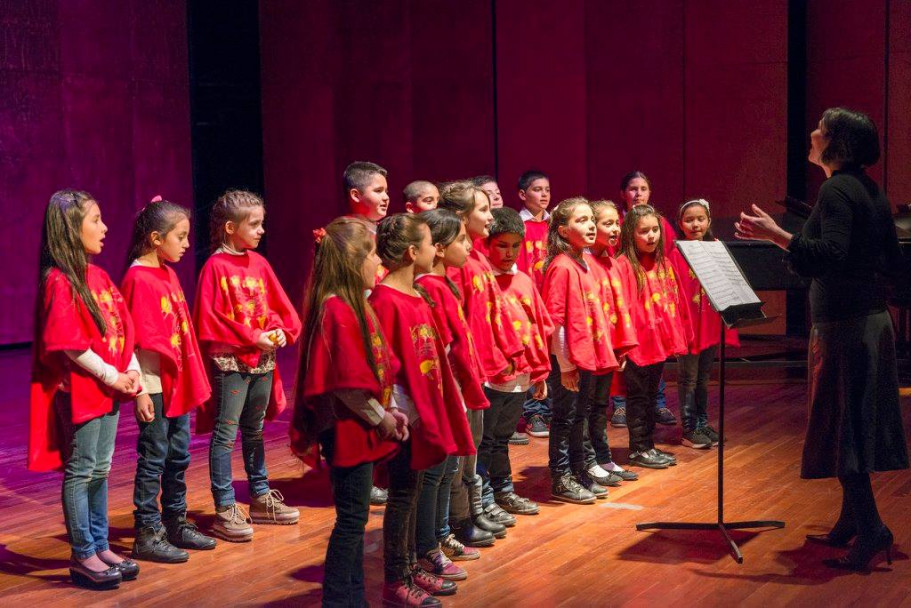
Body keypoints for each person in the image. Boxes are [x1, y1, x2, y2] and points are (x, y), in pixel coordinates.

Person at [735, 107, 908, 571]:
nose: (812, 133)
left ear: (837, 144)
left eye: (822, 130)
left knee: (841, 426)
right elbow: (891, 259)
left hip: (845, 328)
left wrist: (777, 235)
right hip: (870, 322)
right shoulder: (869, 190)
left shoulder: (835, 189)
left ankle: (872, 528)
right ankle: (851, 521)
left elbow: (828, 254)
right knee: (851, 422)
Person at [291, 217, 408, 608]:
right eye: (373, 253)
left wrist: (390, 407)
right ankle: (341, 600)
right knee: (352, 521)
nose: (380, 262)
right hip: (346, 429)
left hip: (361, 423)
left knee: (356, 521)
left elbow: (376, 368)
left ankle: (353, 598)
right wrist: (383, 418)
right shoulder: (336, 310)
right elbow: (347, 385)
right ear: (350, 260)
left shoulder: (354, 303)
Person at [29, 190, 141, 589]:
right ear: (70, 229)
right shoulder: (60, 280)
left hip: (107, 388)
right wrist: (113, 376)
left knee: (102, 469)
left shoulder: (100, 276)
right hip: (81, 391)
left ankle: (98, 543)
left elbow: (122, 329)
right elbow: (72, 344)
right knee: (82, 471)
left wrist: (130, 369)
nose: (105, 227)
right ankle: (82, 553)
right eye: (95, 220)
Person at [370, 213, 475, 605]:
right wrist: (403, 415)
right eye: (431, 243)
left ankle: (412, 564)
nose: (437, 250)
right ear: (414, 252)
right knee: (402, 494)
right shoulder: (384, 299)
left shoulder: (418, 295)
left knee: (413, 493)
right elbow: (384, 367)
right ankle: (395, 578)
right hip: (404, 419)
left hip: (425, 413)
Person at [194, 190, 302, 541]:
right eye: (253, 225)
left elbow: (279, 305)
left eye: (261, 224)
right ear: (229, 227)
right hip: (231, 362)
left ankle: (259, 497)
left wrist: (281, 331)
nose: (260, 231)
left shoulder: (260, 263)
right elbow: (209, 318)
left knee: (254, 431)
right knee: (226, 435)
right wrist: (249, 335)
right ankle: (226, 507)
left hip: (263, 361)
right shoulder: (215, 266)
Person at [121, 198, 215, 563]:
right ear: (157, 238)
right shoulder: (137, 277)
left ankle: (176, 521)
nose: (187, 243)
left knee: (179, 454)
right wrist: (141, 391)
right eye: (181, 236)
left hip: (174, 384)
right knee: (153, 456)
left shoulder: (167, 272)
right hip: (153, 384)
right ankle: (146, 531)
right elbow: (130, 340)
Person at [439, 181, 523, 545]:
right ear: (460, 216)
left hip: (477, 367)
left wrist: (508, 352)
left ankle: (473, 509)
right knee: (462, 450)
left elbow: (492, 314)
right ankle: (458, 519)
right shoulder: (456, 263)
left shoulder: (474, 257)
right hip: (461, 369)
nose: (491, 216)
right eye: (483, 210)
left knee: (473, 449)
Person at [415, 209, 488, 565]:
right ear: (439, 249)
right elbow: (444, 348)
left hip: (457, 388)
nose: (469, 246)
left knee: (450, 468)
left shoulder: (446, 283)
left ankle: (441, 533)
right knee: (441, 469)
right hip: (446, 390)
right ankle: (432, 539)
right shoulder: (429, 287)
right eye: (461, 240)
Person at [541, 198, 620, 503]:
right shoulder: (561, 267)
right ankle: (561, 477)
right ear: (562, 230)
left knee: (578, 417)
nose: (590, 225)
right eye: (581, 220)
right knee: (564, 418)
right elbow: (556, 322)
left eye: (591, 219)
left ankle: (578, 471)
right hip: (568, 360)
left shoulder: (582, 262)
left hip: (583, 356)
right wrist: (565, 365)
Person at [480, 207, 552, 516]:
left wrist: (539, 372)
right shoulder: (482, 281)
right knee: (487, 440)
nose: (509, 253)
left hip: (521, 376)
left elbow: (537, 327)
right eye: (501, 245)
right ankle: (484, 498)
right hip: (493, 376)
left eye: (515, 246)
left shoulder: (523, 280)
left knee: (503, 438)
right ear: (486, 244)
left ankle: (504, 492)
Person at [615, 205, 690, 469]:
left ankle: (648, 446)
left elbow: (672, 302)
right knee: (638, 396)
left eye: (655, 230)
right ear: (630, 234)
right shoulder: (623, 265)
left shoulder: (663, 263)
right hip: (637, 345)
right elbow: (621, 307)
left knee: (651, 395)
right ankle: (639, 448)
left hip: (657, 342)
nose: (651, 236)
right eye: (643, 231)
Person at [669, 199, 739, 449]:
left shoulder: (715, 248)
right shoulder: (676, 252)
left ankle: (701, 422)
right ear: (680, 223)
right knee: (688, 376)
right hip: (689, 324)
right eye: (689, 219)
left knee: (703, 376)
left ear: (709, 221)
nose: (695, 224)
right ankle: (688, 428)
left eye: (700, 219)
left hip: (709, 321)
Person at [612, 171, 676, 428]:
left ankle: (657, 405)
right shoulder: (618, 230)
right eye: (632, 188)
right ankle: (620, 406)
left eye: (643, 188)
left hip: (654, 317)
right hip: (632, 318)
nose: (638, 193)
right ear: (623, 194)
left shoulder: (661, 228)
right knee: (633, 375)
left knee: (652, 371)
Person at [584, 200, 639, 486]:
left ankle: (603, 457)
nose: (616, 228)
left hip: (608, 348)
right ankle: (588, 461)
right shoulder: (584, 264)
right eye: (608, 224)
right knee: (587, 407)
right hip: (589, 350)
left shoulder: (611, 261)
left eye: (617, 222)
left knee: (599, 406)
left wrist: (621, 346)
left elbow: (619, 309)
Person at [345, 161, 391, 232]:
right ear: (356, 195)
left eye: (386, 192)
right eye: (378, 190)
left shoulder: (385, 232)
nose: (386, 197)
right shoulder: (343, 234)